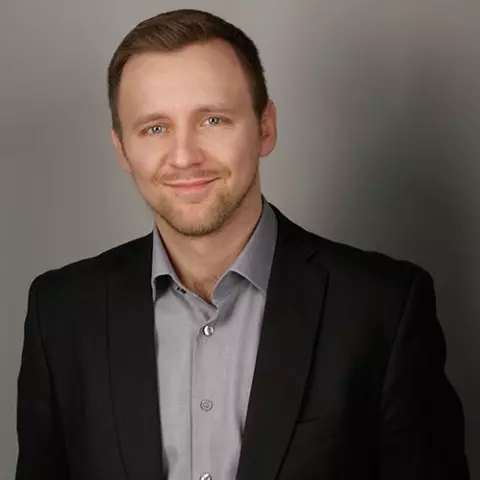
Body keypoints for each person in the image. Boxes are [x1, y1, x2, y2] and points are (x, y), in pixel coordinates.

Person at [15, 8, 469, 480]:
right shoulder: (61, 315)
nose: (184, 157)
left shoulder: (383, 309)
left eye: (213, 119)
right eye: (155, 128)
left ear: (265, 128)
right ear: (122, 149)